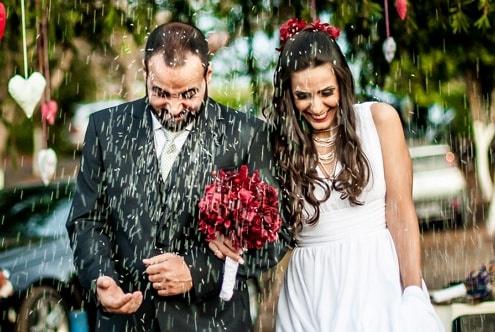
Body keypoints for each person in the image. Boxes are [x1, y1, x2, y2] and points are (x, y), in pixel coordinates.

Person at [211, 18, 444, 331]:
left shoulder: (379, 120)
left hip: (377, 277)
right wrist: (227, 229)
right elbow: (260, 214)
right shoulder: (276, 144)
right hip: (310, 284)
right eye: (303, 96)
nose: (317, 106)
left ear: (343, 83)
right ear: (288, 96)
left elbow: (400, 210)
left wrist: (413, 290)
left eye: (326, 92)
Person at [66, 21, 285, 332]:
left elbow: (277, 234)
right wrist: (101, 277)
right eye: (160, 92)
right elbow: (86, 220)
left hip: (212, 322)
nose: (173, 107)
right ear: (145, 73)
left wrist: (197, 271)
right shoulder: (106, 129)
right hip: (126, 322)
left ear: (208, 75)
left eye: (188, 94)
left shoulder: (246, 135)